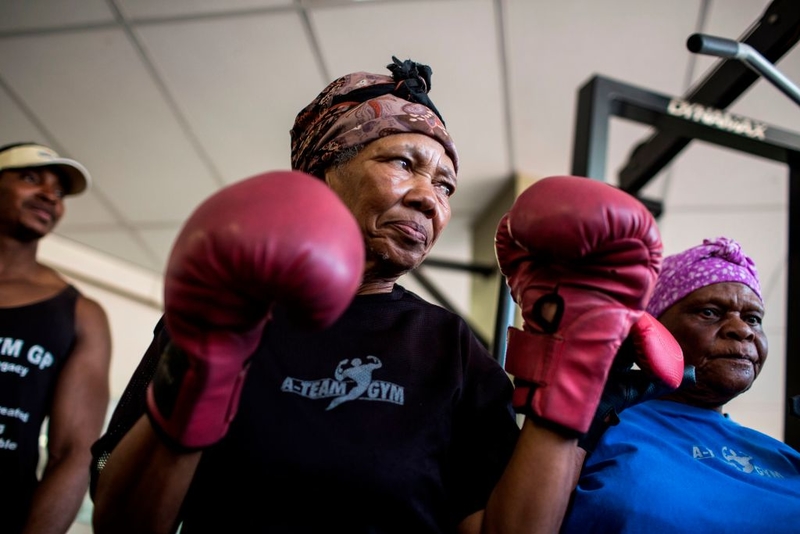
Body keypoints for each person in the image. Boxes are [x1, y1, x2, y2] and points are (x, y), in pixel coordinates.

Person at [89, 57, 682, 534]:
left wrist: (574, 377)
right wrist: (205, 365)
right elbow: (124, 522)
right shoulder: (225, 308)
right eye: (405, 162)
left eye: (446, 184)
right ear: (322, 172)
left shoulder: (451, 349)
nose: (432, 199)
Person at [561, 236, 800, 533]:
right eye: (710, 312)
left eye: (753, 319)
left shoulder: (785, 458)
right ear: (655, 330)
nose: (742, 330)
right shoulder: (594, 428)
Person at [0, 142, 113, 534]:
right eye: (31, 178)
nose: (50, 195)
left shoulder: (81, 315)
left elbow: (72, 453)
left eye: (60, 191)